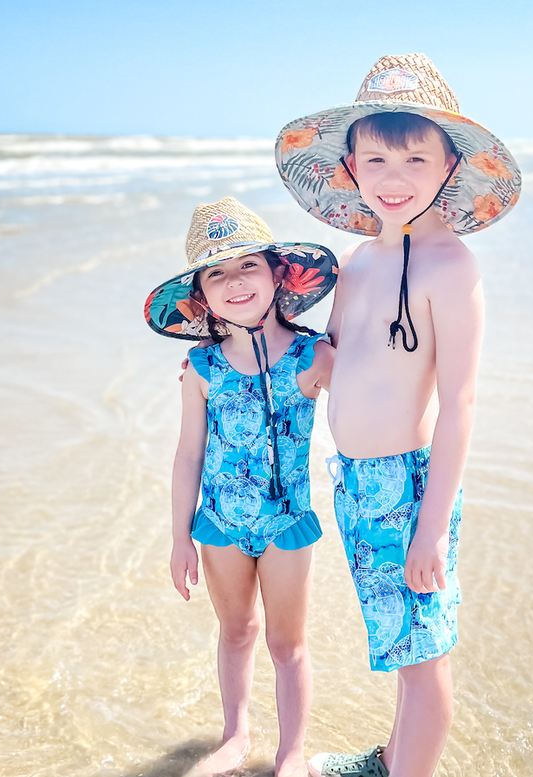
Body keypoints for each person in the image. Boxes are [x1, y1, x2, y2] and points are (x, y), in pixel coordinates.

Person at [275, 54, 522, 777]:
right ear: (350, 165)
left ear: (450, 168)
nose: (394, 173)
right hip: (354, 481)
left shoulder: (451, 267)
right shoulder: (355, 261)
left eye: (416, 157)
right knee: (400, 640)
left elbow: (460, 401)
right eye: (377, 155)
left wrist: (433, 525)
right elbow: (331, 355)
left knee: (424, 662)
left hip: (410, 488)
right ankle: (391, 759)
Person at [144, 197, 337, 777]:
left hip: (287, 525)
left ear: (279, 273)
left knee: (286, 644)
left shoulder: (313, 354)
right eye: (217, 273)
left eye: (247, 265)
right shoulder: (202, 369)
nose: (235, 281)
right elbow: (187, 457)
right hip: (219, 526)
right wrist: (179, 538)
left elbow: (369, 400)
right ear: (202, 296)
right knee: (235, 631)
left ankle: (292, 751)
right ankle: (235, 735)